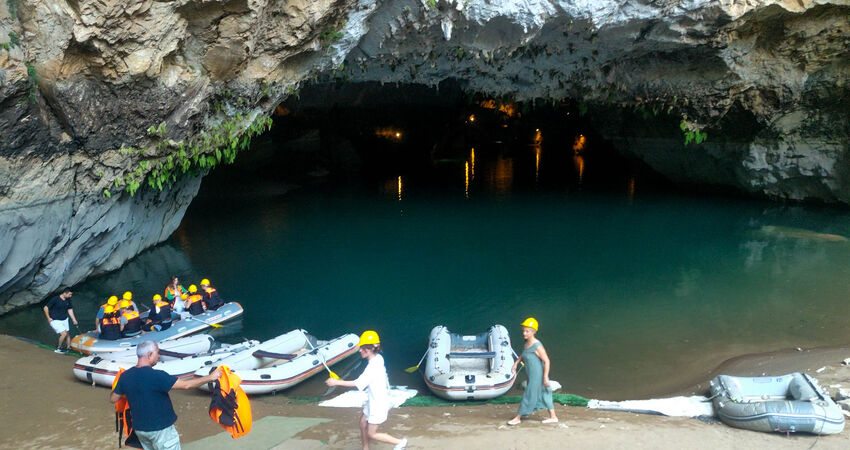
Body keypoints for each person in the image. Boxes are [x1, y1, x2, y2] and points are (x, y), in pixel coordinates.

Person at [110, 341, 221, 449]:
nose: (159, 356)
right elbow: (186, 385)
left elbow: (113, 398)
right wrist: (210, 377)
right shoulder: (157, 376)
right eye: (157, 353)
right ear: (149, 355)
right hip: (161, 430)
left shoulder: (125, 376)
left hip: (140, 430)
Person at [325, 330, 408, 450]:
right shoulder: (378, 358)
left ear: (371, 349)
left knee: (372, 433)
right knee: (363, 423)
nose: (360, 350)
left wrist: (336, 382)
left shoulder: (372, 367)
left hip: (378, 404)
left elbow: (357, 383)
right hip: (375, 400)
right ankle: (365, 448)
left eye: (363, 348)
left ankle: (400, 442)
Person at [508, 317, 558, 425]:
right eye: (524, 331)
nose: (524, 333)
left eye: (527, 331)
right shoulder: (527, 343)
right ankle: (553, 417)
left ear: (533, 332)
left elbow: (547, 361)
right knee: (545, 393)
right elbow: (524, 354)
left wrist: (545, 377)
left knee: (529, 393)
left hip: (538, 374)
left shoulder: (537, 345)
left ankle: (518, 417)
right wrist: (516, 363)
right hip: (531, 374)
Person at [43, 287, 78, 353]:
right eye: (69, 294)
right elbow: (45, 308)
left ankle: (68, 348)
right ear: (65, 293)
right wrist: (48, 318)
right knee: (63, 334)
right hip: (55, 320)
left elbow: (70, 310)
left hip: (64, 319)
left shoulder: (68, 300)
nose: (70, 296)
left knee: (67, 334)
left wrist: (74, 320)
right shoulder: (55, 299)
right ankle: (59, 348)